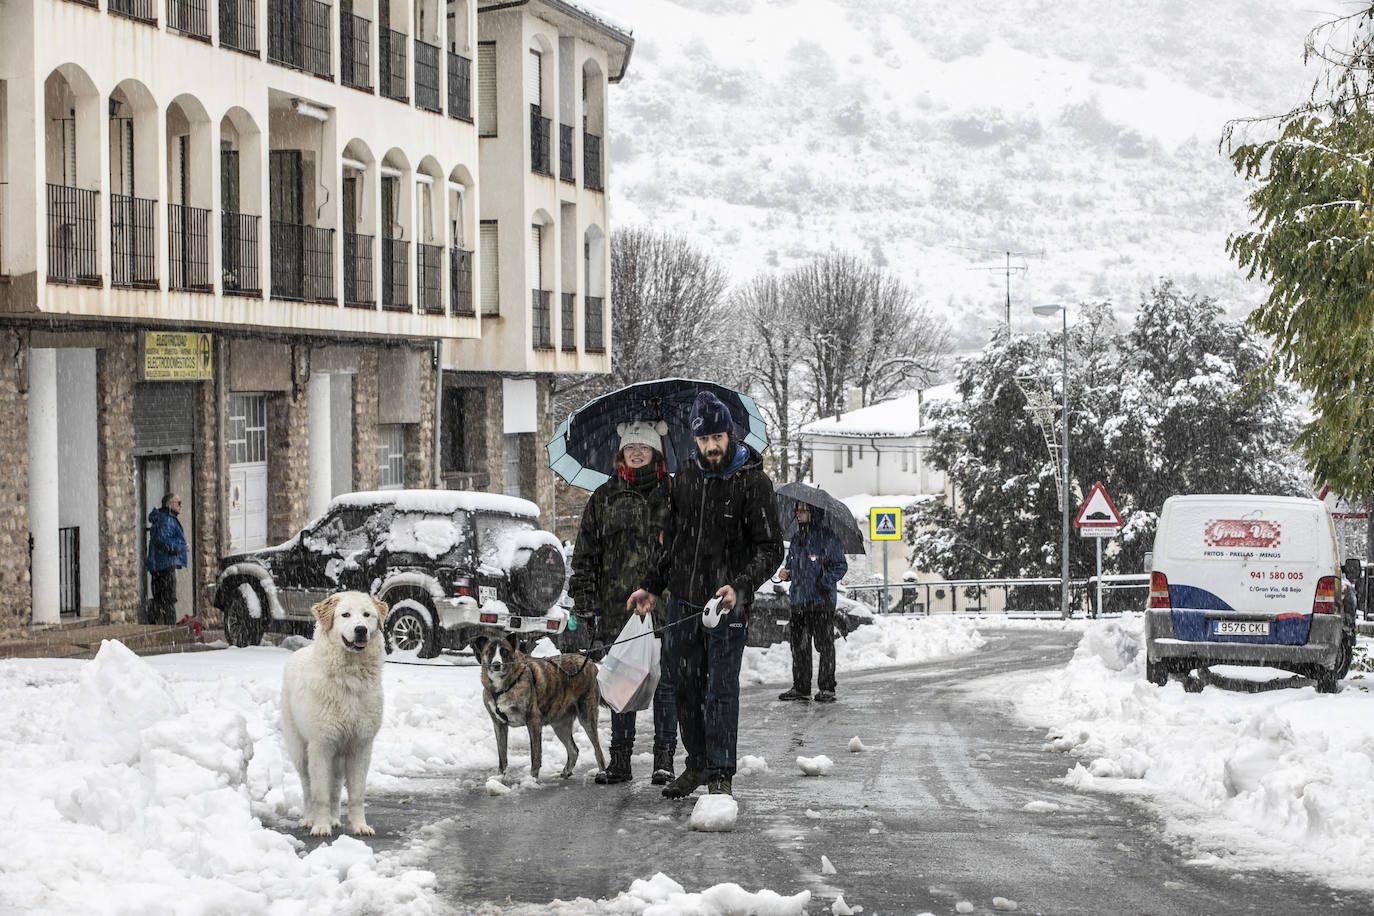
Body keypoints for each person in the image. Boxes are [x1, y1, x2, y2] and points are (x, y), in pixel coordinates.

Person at [628, 390, 782, 798]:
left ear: (729, 434)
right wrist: (652, 585)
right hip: (683, 604)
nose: (711, 446)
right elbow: (673, 545)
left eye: (717, 437)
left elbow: (771, 548)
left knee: (720, 691)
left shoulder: (752, 482)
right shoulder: (687, 478)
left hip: (726, 605)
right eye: (703, 439)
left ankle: (721, 773)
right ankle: (696, 764)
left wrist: (742, 586)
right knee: (684, 688)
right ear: (693, 440)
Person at [568, 419, 679, 787]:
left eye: (644, 447)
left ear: (656, 452)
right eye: (630, 447)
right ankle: (620, 760)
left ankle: (664, 758)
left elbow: (688, 549)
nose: (636, 453)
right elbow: (585, 554)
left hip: (664, 607)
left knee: (665, 684)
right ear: (621, 453)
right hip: (617, 607)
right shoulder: (604, 497)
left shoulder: (674, 495)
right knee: (621, 685)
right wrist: (584, 601)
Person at [776, 501, 848, 703]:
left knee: (824, 646)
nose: (798, 514)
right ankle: (801, 688)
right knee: (799, 646)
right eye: (797, 510)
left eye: (803, 510)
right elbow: (792, 565)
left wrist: (824, 581)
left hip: (821, 602)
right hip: (798, 601)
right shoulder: (797, 538)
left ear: (813, 513)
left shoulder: (828, 538)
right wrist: (787, 572)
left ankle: (827, 688)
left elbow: (841, 566)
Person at [146, 492, 187, 626]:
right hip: (165, 565)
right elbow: (162, 540)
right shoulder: (167, 519)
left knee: (160, 599)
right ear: (170, 505)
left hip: (158, 565)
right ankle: (170, 629)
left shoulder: (163, 518)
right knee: (168, 600)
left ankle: (154, 624)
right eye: (178, 503)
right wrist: (179, 547)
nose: (180, 506)